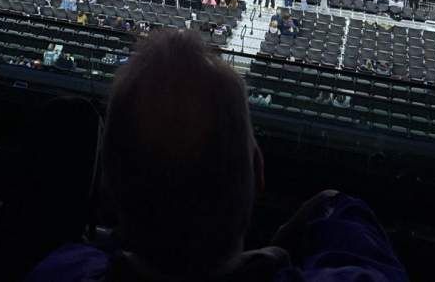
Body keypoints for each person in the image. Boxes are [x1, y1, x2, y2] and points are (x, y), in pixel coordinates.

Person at [30, 32, 407, 282]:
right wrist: (286, 241)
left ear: (106, 185)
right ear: (258, 171)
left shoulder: (60, 270)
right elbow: (354, 235)